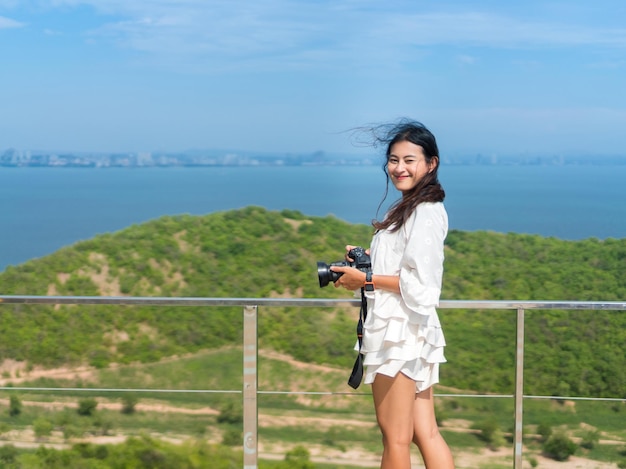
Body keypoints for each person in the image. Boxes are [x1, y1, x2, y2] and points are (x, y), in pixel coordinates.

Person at [331, 120, 455, 469]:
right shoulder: (410, 207)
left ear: (431, 163)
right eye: (393, 159)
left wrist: (364, 281)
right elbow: (405, 266)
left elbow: (423, 287)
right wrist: (370, 262)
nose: (399, 168)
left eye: (409, 160)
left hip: (400, 334)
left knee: (395, 437)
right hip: (410, 331)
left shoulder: (425, 211)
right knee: (423, 431)